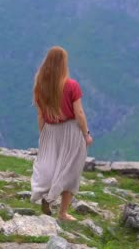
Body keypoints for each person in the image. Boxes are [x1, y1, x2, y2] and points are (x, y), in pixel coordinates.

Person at [30, 46, 94, 221]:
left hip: (49, 130)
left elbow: (40, 114)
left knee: (49, 165)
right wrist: (86, 134)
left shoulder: (40, 85)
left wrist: (43, 134)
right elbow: (79, 113)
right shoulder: (71, 85)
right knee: (71, 170)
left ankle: (45, 194)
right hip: (70, 131)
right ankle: (62, 212)